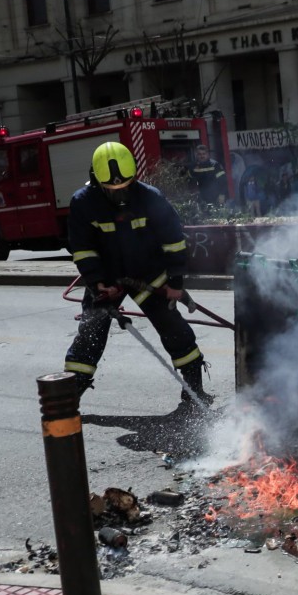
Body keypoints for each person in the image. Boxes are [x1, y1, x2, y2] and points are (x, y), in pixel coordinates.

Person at [64, 141, 212, 412]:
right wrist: (97, 283)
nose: (121, 195)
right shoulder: (83, 203)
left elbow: (174, 242)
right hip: (106, 279)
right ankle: (67, 396)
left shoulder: (150, 197)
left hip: (149, 275)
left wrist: (175, 284)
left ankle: (194, 390)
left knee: (174, 328)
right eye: (113, 190)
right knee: (90, 334)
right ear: (97, 181)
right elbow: (83, 249)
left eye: (126, 186)